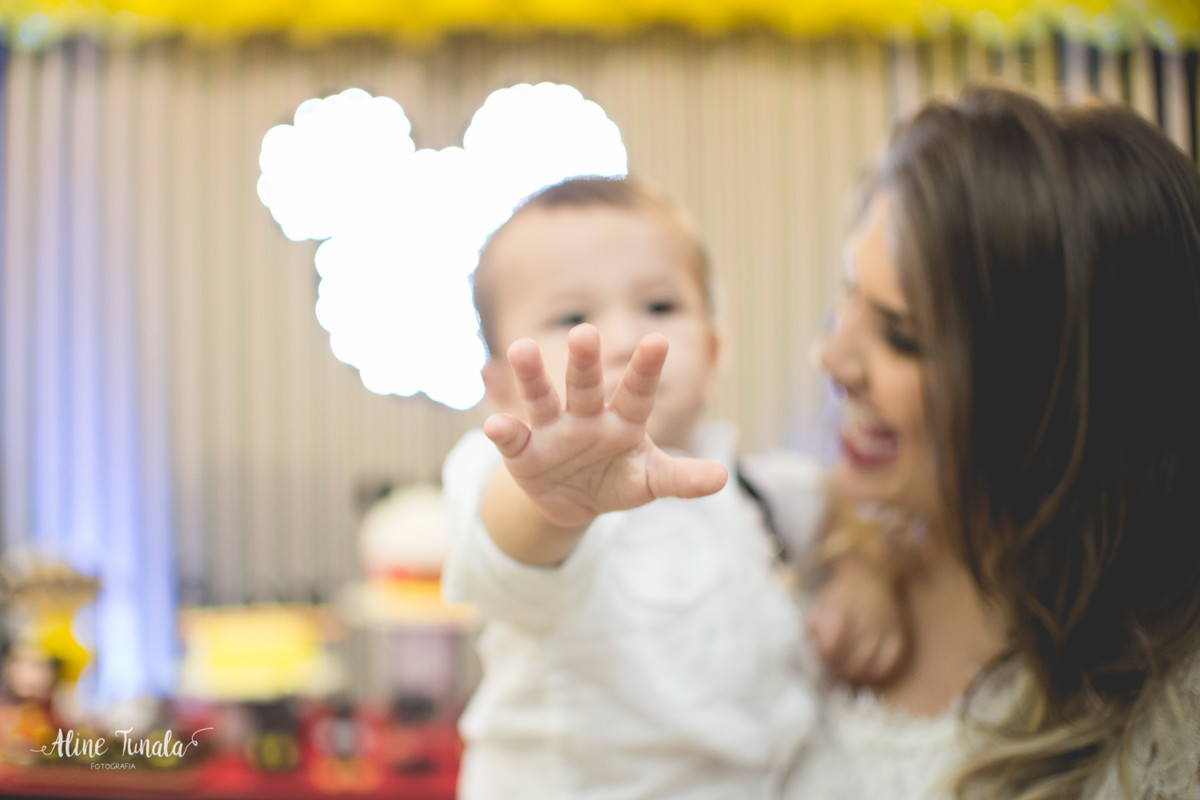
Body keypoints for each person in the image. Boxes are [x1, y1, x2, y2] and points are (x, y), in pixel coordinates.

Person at [786, 84, 1200, 799]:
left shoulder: (1165, 729)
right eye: (847, 291)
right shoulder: (809, 550)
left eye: (901, 336)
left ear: (1055, 392)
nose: (832, 358)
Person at [441, 176, 906, 799]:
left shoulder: (752, 488)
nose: (627, 339)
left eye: (660, 307)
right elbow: (505, 558)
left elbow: (852, 508)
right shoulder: (506, 470)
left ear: (713, 353)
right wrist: (553, 501)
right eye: (572, 317)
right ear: (500, 387)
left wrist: (862, 569)